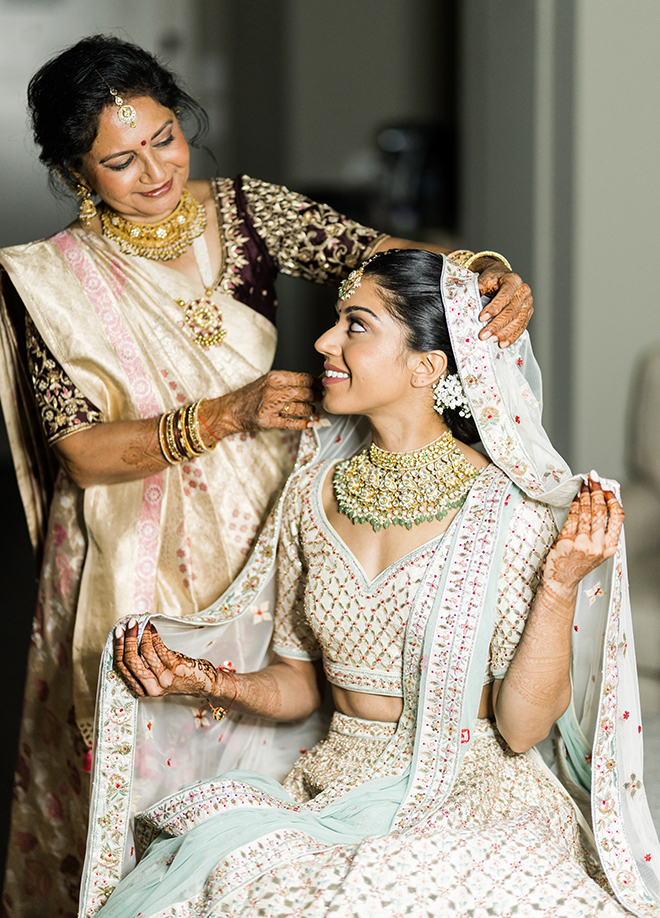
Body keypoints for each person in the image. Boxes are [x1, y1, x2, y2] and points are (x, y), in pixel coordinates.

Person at [0, 34, 535, 918]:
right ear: (74, 171)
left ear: (182, 117)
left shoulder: (249, 210)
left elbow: (378, 259)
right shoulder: (50, 281)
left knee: (274, 744)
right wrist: (224, 414)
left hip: (264, 525)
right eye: (121, 161)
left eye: (165, 138)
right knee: (133, 762)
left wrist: (482, 270)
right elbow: (81, 451)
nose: (156, 171)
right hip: (125, 545)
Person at [83, 251, 660, 917]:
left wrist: (559, 588)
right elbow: (300, 684)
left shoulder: (511, 513)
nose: (324, 341)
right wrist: (208, 682)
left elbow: (523, 728)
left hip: (471, 792)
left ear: (428, 366)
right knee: (237, 882)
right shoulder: (311, 493)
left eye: (355, 325)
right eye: (335, 321)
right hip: (332, 785)